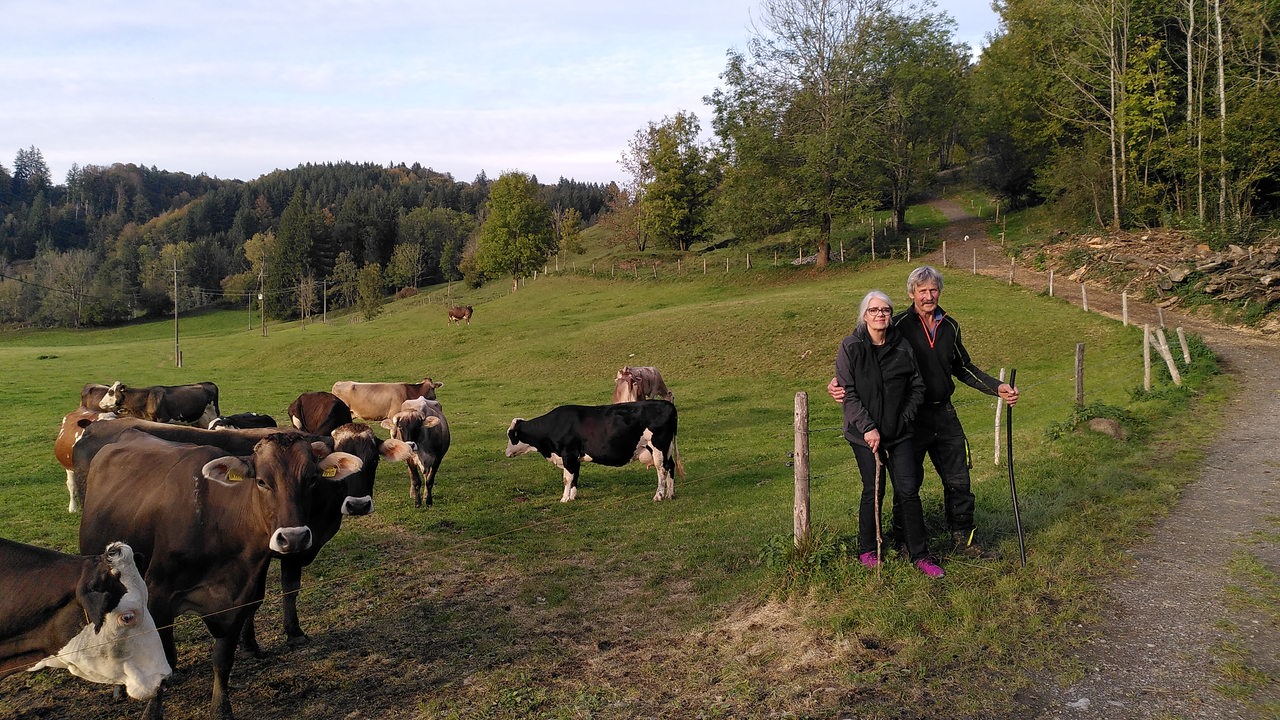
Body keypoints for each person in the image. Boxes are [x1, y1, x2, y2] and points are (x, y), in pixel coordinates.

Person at [829, 266, 1020, 559]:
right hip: (909, 418)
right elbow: (867, 352)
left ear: (939, 292)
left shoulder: (951, 326)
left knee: (959, 478)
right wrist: (838, 383)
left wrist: (997, 387)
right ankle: (904, 540)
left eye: (933, 290)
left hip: (944, 413)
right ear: (911, 294)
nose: (928, 296)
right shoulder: (899, 325)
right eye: (922, 291)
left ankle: (964, 539)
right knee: (908, 484)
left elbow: (963, 367)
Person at [834, 290, 944, 578]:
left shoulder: (902, 347)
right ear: (864, 315)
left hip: (900, 434)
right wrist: (868, 428)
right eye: (874, 310)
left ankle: (919, 553)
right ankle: (868, 549)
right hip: (863, 436)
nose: (880, 315)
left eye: (885, 310)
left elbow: (917, 387)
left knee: (908, 491)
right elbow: (848, 393)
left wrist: (903, 418)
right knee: (874, 489)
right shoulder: (851, 347)